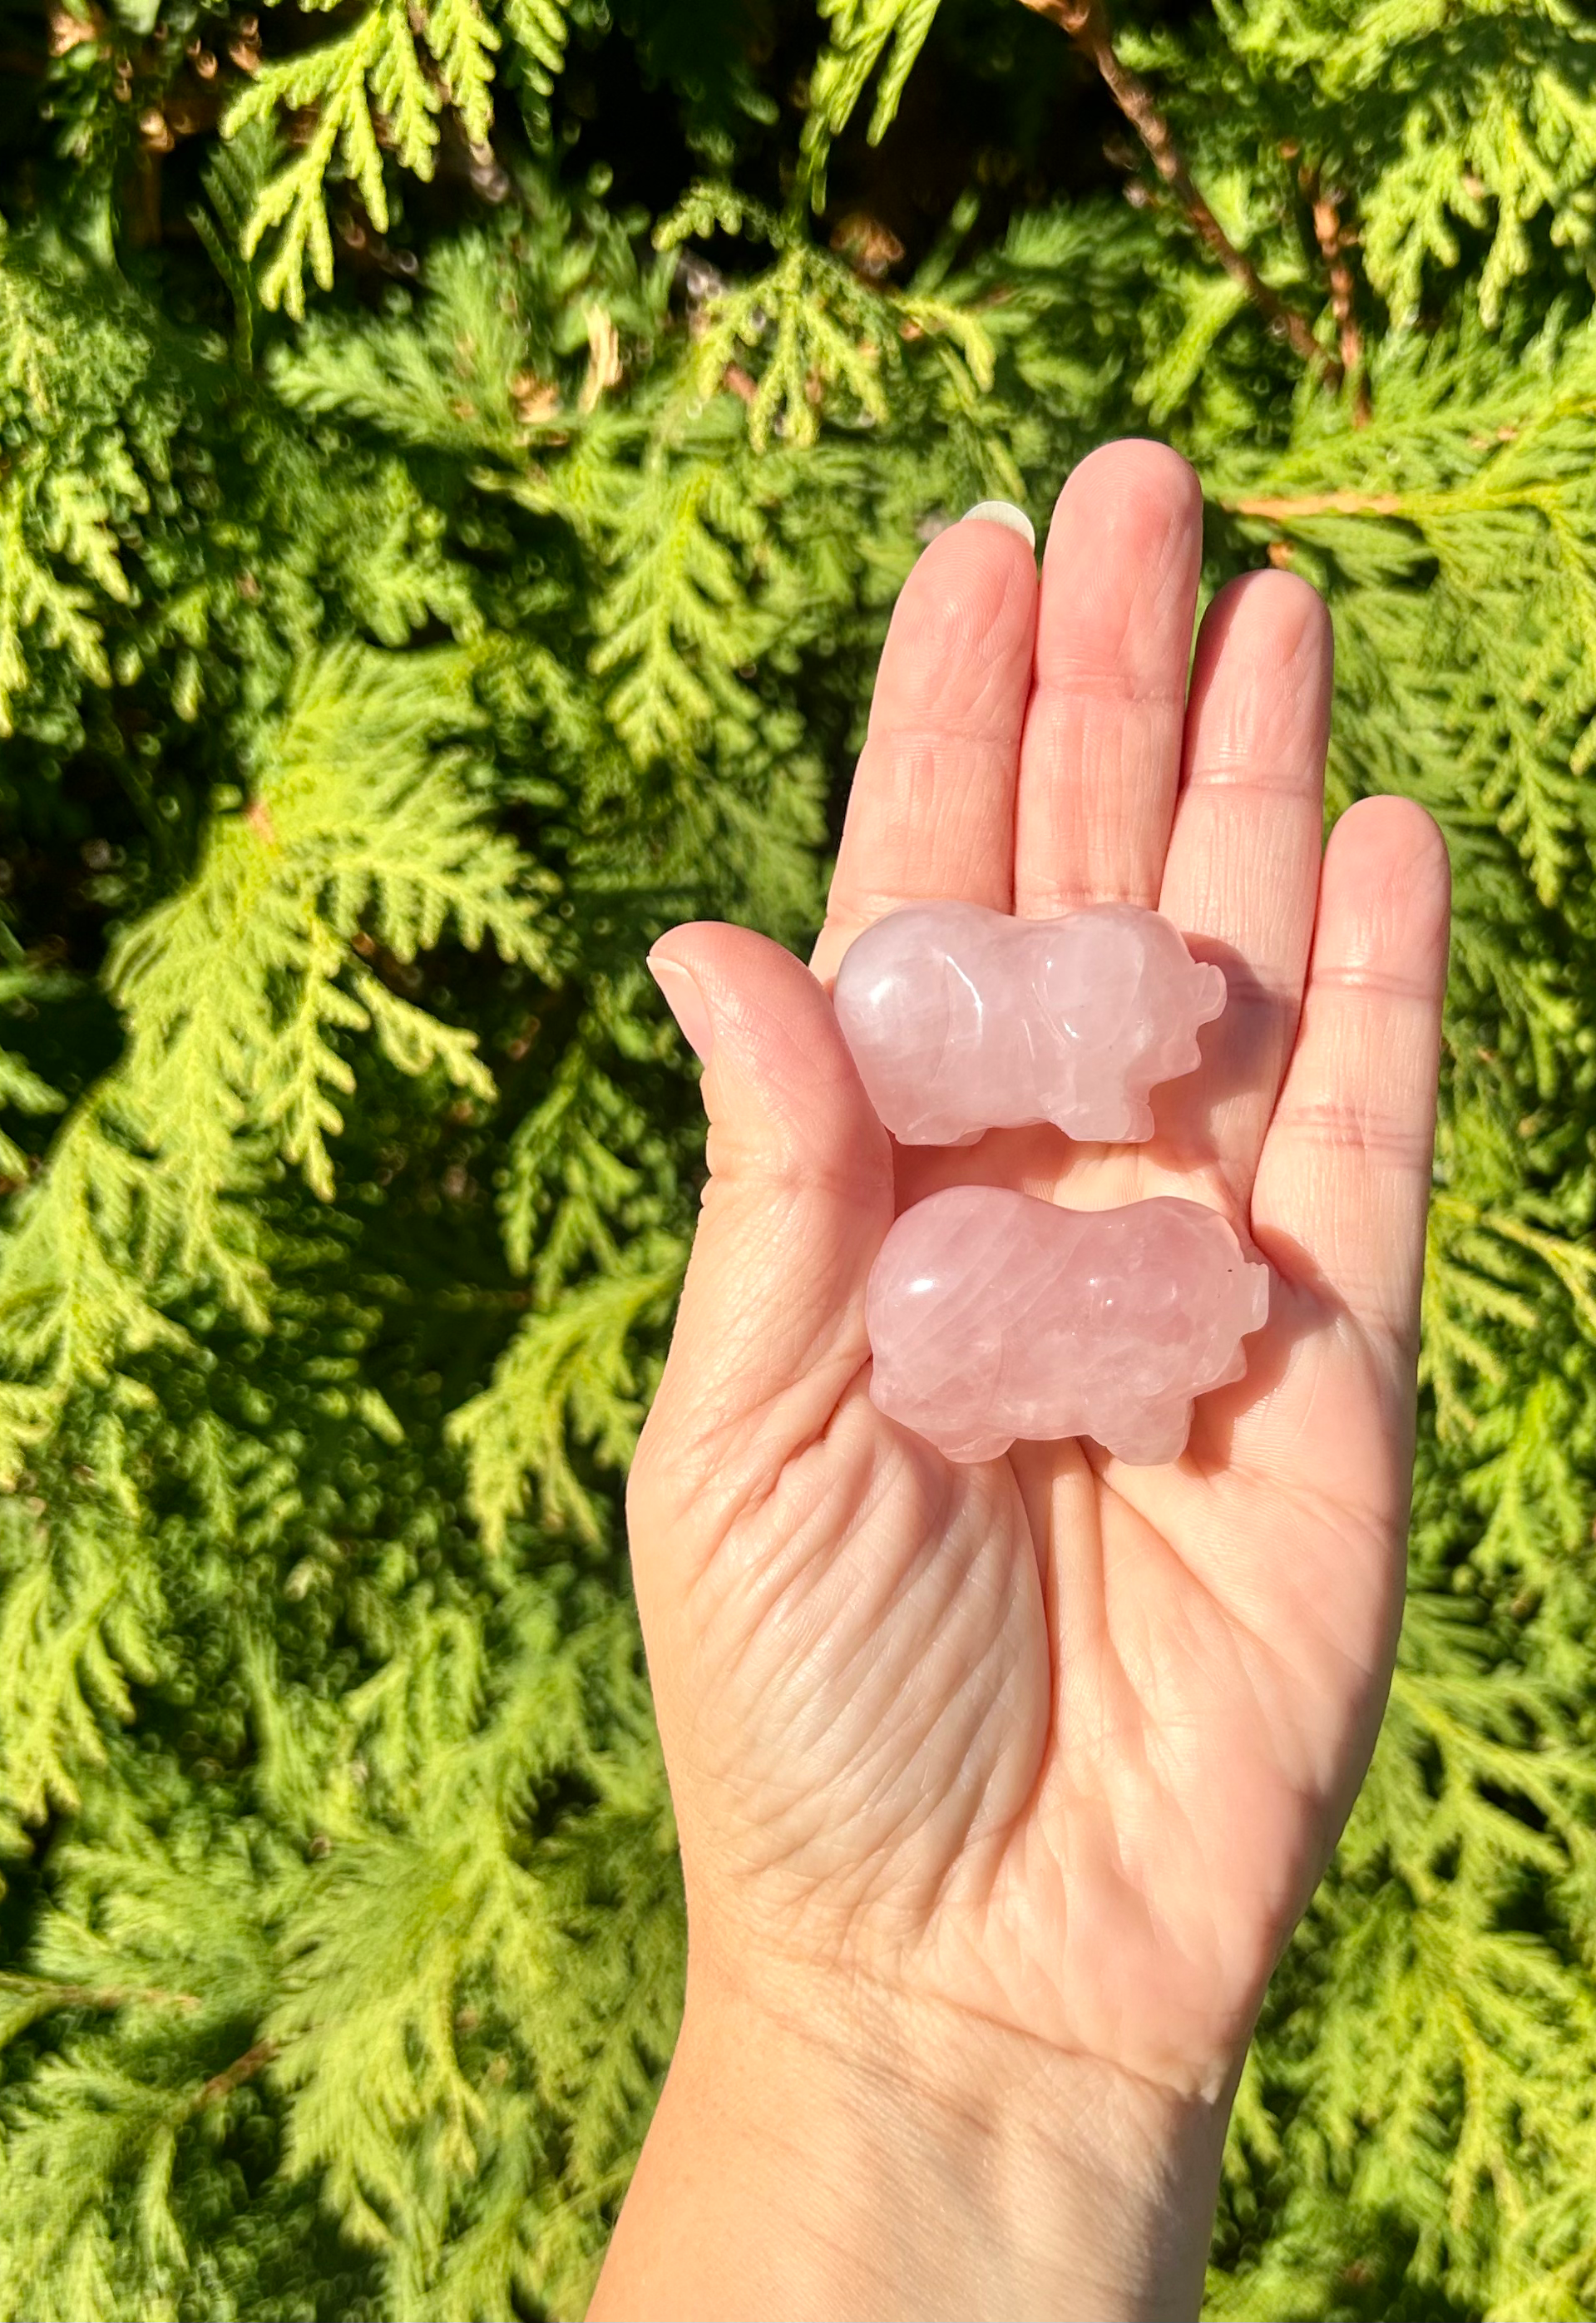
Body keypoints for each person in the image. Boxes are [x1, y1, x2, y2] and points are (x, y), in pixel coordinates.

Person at [589, 440, 1450, 2322]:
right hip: (990, 1182)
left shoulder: (1126, 1214)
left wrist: (885, 2032)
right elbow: (1092, 1122)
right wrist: (883, 2011)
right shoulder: (1074, 1127)